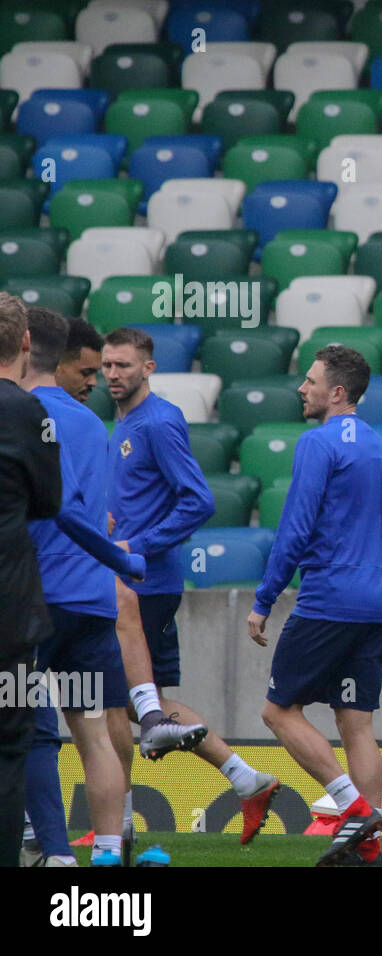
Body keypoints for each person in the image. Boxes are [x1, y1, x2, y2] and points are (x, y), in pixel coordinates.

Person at [104, 326, 279, 845]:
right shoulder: (125, 422)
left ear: (149, 368)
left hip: (146, 584)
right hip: (130, 581)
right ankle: (247, 780)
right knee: (142, 701)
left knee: (116, 701)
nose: (114, 374)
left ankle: (118, 823)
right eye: (108, 366)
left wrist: (138, 545)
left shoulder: (158, 421)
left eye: (124, 366)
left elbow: (198, 500)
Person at [249, 346, 382, 867]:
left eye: (311, 381)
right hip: (376, 601)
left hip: (329, 597)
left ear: (337, 392)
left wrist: (264, 599)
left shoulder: (319, 443)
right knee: (356, 722)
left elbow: (295, 528)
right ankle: (369, 849)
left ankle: (353, 808)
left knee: (277, 709)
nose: (302, 388)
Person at [21, 308, 147, 867]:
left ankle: (54, 851)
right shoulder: (91, 423)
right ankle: (106, 852)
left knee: (28, 725)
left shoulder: (20, 415)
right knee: (93, 732)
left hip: (34, 597)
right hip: (92, 600)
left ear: (27, 351)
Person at [0, 293, 62, 867]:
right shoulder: (27, 411)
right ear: (25, 343)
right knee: (9, 751)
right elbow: (49, 502)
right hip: (10, 612)